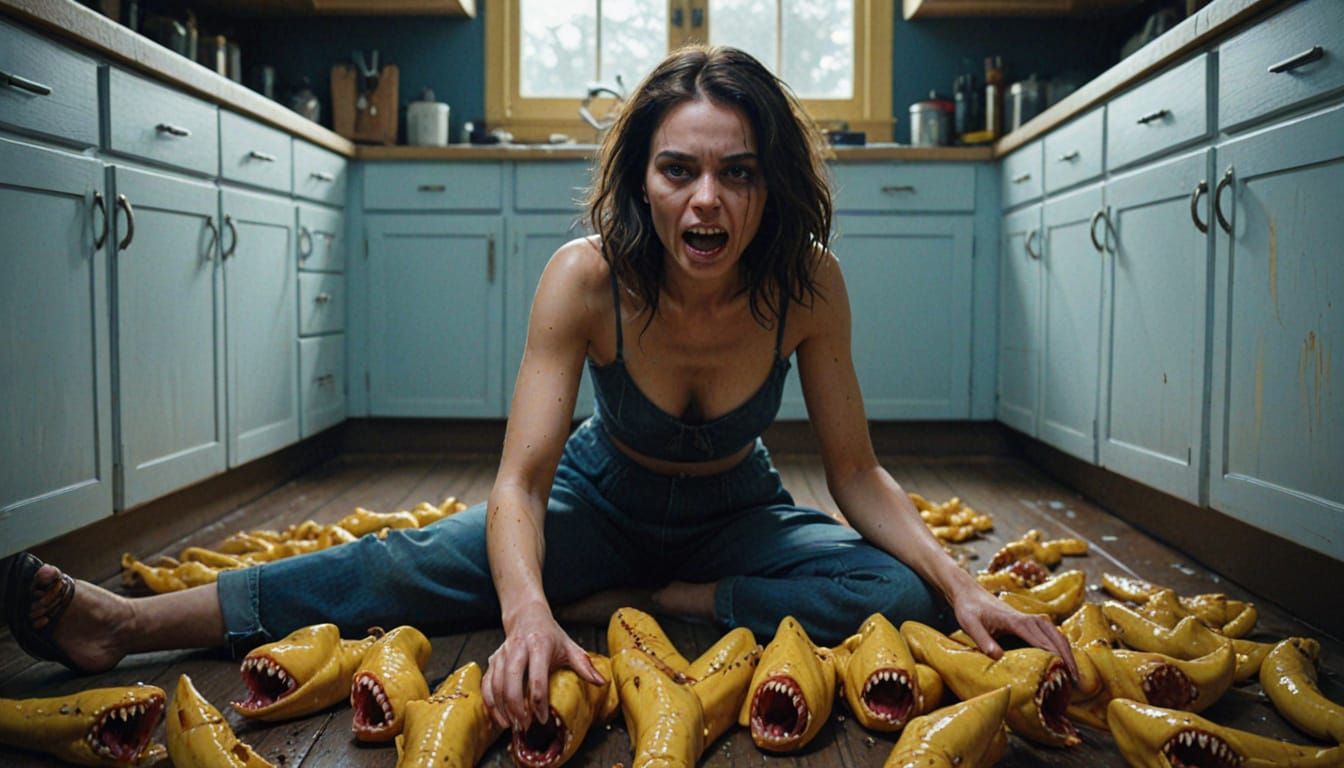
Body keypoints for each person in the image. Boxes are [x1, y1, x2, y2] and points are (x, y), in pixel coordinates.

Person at [5, 45, 1076, 736]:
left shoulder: (808, 284)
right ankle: (122, 624)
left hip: (739, 520)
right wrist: (525, 613)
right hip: (596, 504)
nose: (708, 200)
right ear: (641, 180)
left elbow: (855, 473)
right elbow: (519, 484)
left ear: (771, 182)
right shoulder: (587, 277)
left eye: (738, 172)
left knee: (893, 592)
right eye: (678, 171)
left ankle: (651, 605)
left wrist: (955, 582)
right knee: (402, 566)